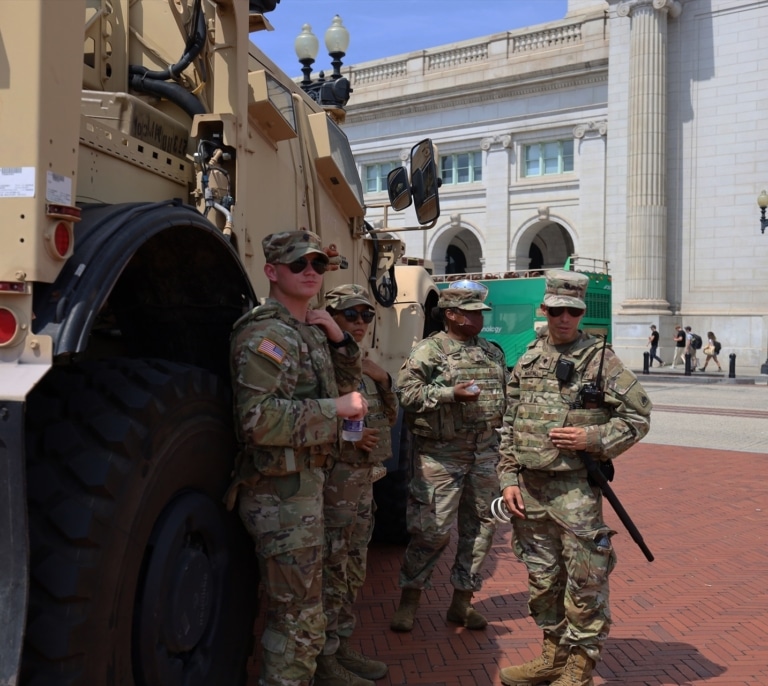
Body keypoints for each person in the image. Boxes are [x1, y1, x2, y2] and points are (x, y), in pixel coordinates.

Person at [225, 230, 368, 686]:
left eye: (317, 265)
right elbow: (258, 420)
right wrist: (336, 412)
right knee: (295, 619)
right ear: (271, 272)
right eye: (298, 265)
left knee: (307, 610)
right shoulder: (267, 333)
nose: (310, 272)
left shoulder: (304, 329)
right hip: (280, 494)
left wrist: (340, 339)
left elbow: (344, 384)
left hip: (306, 486)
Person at [497, 269, 652, 686]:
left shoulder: (601, 359)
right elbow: (509, 422)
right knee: (543, 579)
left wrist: (593, 437)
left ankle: (579, 670)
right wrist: (508, 476)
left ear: (581, 312)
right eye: (557, 310)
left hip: (574, 494)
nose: (565, 318)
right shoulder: (528, 357)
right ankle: (552, 655)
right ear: (544, 310)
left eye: (573, 311)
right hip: (529, 491)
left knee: (585, 580)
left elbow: (638, 416)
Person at [390, 283, 507, 633]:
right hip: (442, 456)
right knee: (432, 531)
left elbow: (506, 396)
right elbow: (406, 392)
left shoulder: (492, 352)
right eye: (471, 311)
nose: (478, 318)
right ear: (451, 314)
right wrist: (449, 394)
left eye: (480, 312)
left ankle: (462, 603)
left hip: (484, 453)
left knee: (481, 529)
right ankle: (409, 600)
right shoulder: (430, 351)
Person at [321, 284, 399, 684]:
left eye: (367, 316)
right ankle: (324, 660)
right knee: (331, 570)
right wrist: (344, 436)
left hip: (364, 483)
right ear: (331, 316)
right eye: (351, 315)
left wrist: (384, 379)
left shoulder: (363, 363)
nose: (360, 323)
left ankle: (341, 645)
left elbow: (389, 415)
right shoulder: (320, 363)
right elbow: (299, 419)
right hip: (334, 486)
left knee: (353, 569)